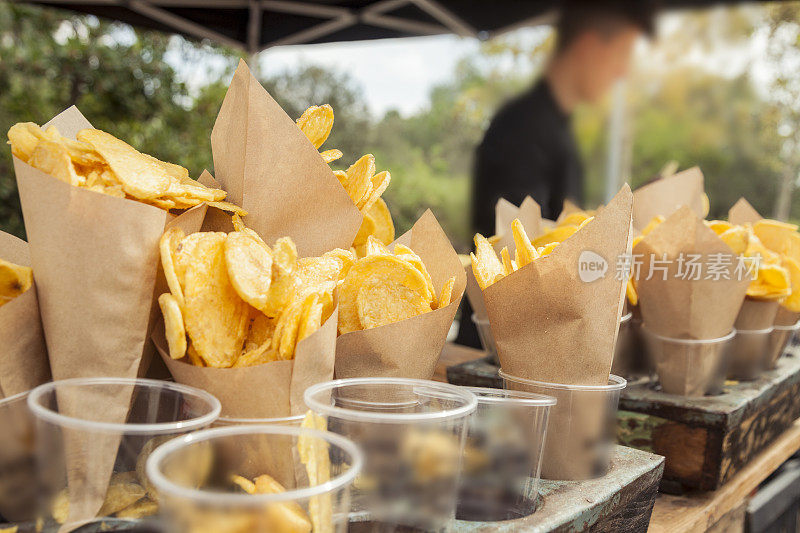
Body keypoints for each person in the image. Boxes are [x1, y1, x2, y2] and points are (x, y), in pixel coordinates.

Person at [457, 1, 655, 348]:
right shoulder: (525, 127)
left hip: (533, 340)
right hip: (500, 347)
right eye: (622, 53)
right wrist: (609, 225)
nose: (623, 72)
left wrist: (625, 216)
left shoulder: (555, 128)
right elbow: (520, 239)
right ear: (589, 46)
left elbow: (561, 222)